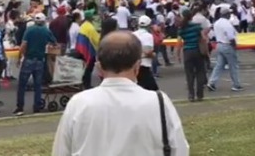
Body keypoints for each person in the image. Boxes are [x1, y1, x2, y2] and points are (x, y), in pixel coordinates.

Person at [51, 31, 189, 156]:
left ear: (99, 68)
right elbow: (180, 150)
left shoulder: (79, 103)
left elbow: (61, 151)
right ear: (137, 67)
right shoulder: (159, 102)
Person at [14, 13, 56, 116]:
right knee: (38, 86)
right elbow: (54, 42)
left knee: (22, 85)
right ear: (43, 21)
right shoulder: (46, 31)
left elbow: (23, 45)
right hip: (40, 60)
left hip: (28, 59)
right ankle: (36, 108)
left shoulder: (29, 30)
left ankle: (20, 108)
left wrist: (19, 58)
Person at [178, 10, 207, 102]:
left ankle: (191, 94)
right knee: (200, 72)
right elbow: (203, 38)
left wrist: (178, 54)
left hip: (187, 51)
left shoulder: (181, 28)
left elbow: (179, 43)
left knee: (189, 74)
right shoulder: (196, 26)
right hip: (197, 50)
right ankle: (200, 94)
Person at [133, 15, 158, 91]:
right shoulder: (148, 36)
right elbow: (148, 51)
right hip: (144, 64)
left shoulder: (133, 34)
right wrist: (153, 55)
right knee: (153, 90)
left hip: (133, 64)